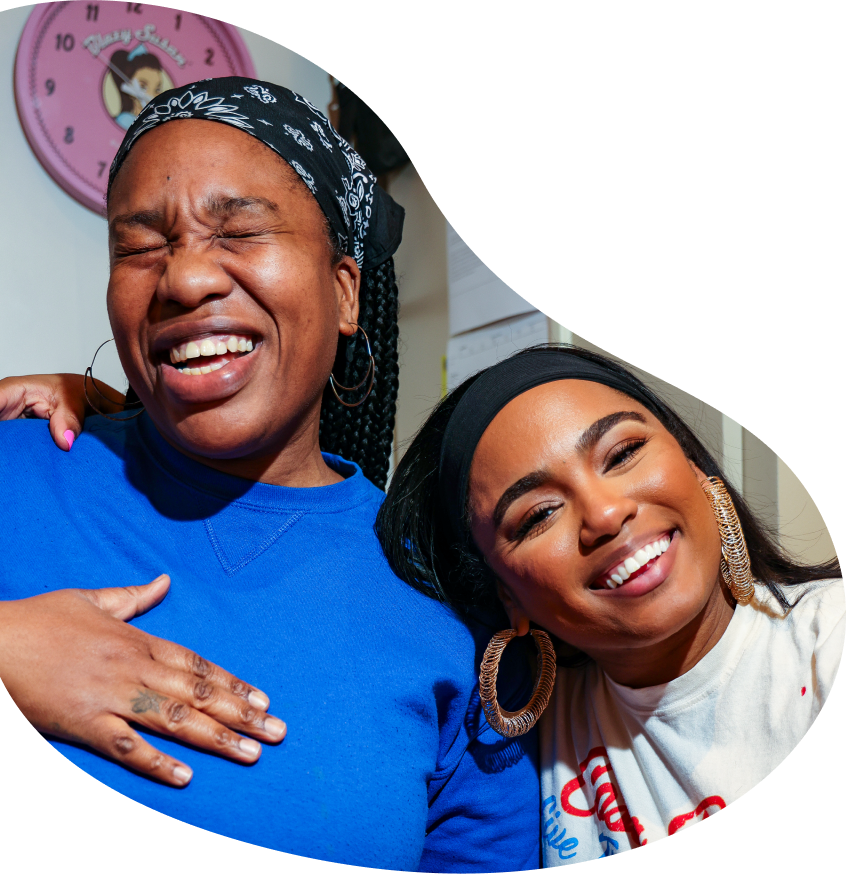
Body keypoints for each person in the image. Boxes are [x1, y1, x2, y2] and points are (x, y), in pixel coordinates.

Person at [0, 77, 541, 871]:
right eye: (140, 244)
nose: (184, 280)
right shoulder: (20, 463)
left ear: (345, 289)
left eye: (239, 231)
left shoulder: (450, 605)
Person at [375, 344, 846, 868]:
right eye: (539, 515)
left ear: (692, 463)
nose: (604, 513)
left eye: (622, 454)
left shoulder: (830, 645)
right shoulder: (535, 729)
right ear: (507, 596)